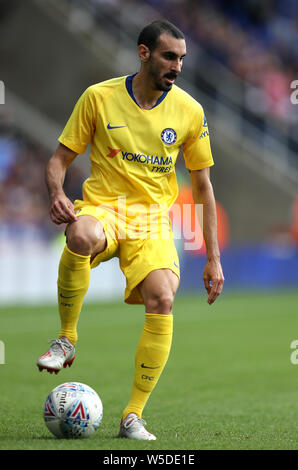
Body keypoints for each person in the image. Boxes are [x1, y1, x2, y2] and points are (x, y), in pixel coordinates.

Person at [37, 20, 224, 440]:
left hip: (153, 222)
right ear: (144, 54)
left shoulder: (190, 111)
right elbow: (58, 160)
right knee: (80, 235)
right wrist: (55, 193)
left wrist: (213, 258)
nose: (177, 67)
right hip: (104, 208)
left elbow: (203, 187)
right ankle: (66, 338)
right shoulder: (98, 97)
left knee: (162, 297)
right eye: (169, 57)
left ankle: (132, 416)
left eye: (181, 59)